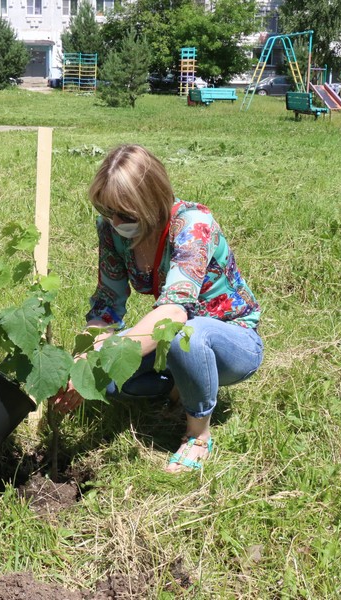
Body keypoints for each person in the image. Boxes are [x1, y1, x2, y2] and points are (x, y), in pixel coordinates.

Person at [53, 145, 263, 473]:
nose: (115, 220)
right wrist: (85, 359)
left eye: (125, 214)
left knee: (188, 336)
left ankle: (197, 435)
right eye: (106, 209)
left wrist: (105, 357)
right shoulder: (112, 230)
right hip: (173, 334)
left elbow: (175, 311)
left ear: (151, 203)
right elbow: (107, 306)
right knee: (106, 382)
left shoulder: (193, 224)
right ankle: (181, 384)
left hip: (231, 340)